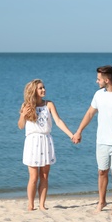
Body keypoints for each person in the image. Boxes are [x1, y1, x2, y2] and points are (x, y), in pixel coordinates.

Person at [72, 65, 112, 214]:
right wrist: (79, 131)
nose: (97, 81)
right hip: (101, 141)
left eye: (99, 79)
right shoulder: (98, 95)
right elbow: (90, 113)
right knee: (102, 172)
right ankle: (102, 201)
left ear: (107, 80)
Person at [18, 79, 73, 211]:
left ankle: (42, 205)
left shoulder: (49, 104)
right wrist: (23, 116)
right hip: (32, 142)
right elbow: (20, 126)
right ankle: (30, 205)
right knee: (33, 177)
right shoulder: (26, 105)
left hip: (45, 141)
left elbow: (58, 121)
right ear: (34, 91)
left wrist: (71, 135)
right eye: (40, 88)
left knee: (44, 176)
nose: (43, 90)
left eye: (44, 87)